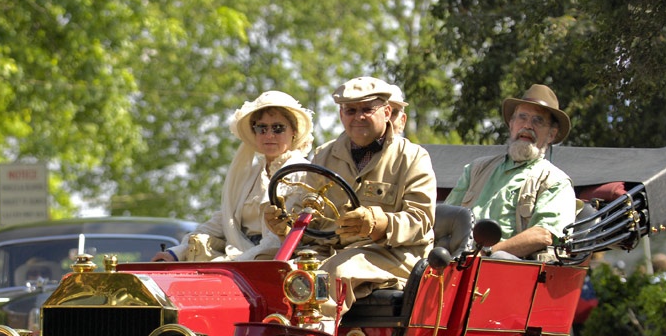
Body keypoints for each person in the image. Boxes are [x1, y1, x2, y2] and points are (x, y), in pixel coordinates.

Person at [266, 76, 436, 316]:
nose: (358, 117)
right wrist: (284, 225)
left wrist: (377, 224)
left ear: (387, 112)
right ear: (341, 115)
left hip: (392, 254)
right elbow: (313, 218)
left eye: (367, 109)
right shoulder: (324, 155)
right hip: (332, 251)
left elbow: (421, 220)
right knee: (282, 276)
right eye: (350, 110)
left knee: (330, 278)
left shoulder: (412, 157)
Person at [152, 90, 314, 262]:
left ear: (294, 132)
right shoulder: (249, 174)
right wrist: (177, 252)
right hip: (239, 254)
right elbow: (224, 220)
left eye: (278, 128)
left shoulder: (302, 174)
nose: (269, 135)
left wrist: (239, 263)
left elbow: (280, 238)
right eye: (262, 128)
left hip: (278, 258)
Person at [444, 84, 576, 260]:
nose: (527, 125)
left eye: (538, 120)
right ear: (512, 124)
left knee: (500, 258)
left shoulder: (556, 181)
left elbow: (544, 234)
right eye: (522, 117)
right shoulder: (476, 169)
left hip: (510, 268)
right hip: (458, 258)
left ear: (551, 134)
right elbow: (446, 217)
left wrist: (487, 253)